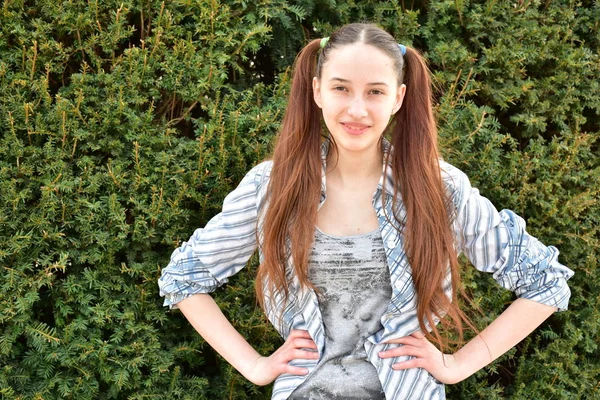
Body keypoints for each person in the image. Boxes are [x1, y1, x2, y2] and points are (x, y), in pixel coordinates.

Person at [158, 23, 574, 400]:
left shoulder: (439, 189)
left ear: (398, 98)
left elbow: (546, 283)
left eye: (375, 91)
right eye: (341, 88)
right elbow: (184, 278)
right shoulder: (271, 186)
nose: (357, 109)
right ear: (317, 90)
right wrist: (255, 366)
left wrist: (456, 365)